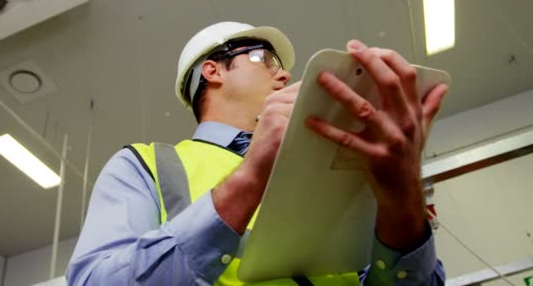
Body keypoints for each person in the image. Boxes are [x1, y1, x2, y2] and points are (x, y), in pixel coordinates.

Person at [66, 21, 449, 286]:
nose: (283, 75)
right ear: (213, 70)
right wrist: (250, 178)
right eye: (264, 59)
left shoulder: (334, 162)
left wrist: (402, 205)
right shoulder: (146, 165)